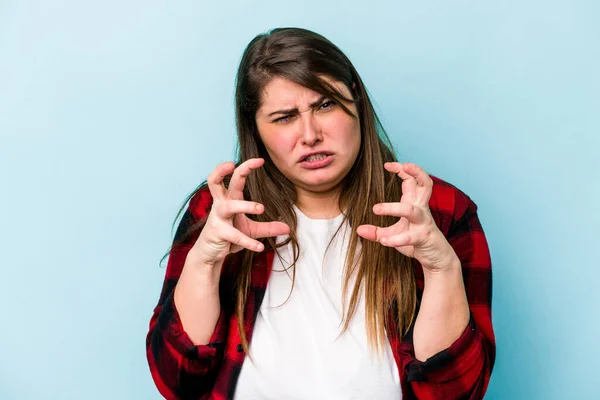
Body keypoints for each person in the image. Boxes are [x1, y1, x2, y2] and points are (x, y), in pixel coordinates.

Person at [146, 27, 495, 400]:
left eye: (325, 105)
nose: (310, 134)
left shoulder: (437, 211)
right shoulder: (221, 211)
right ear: (256, 130)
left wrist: (442, 268)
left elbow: (458, 393)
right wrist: (203, 262)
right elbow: (177, 382)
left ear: (357, 102)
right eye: (284, 117)